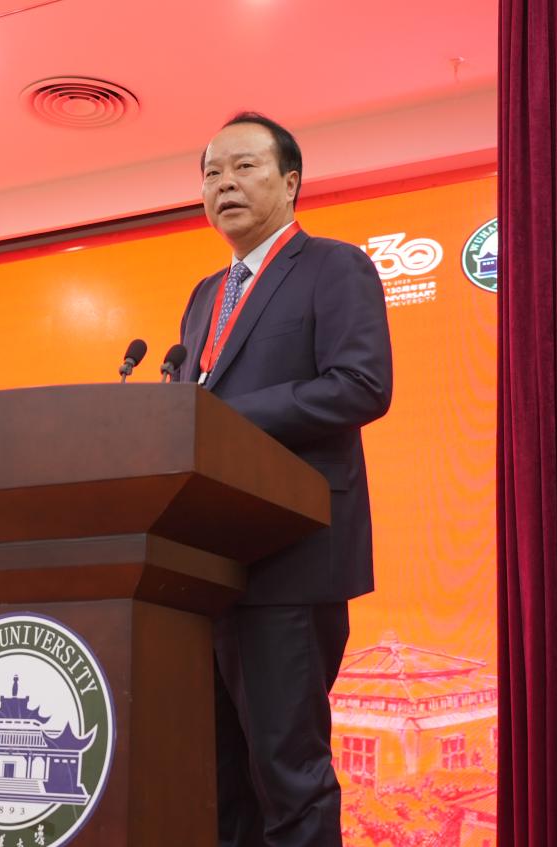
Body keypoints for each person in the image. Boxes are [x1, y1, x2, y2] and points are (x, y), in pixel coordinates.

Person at [176, 112, 393, 846]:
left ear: (290, 181)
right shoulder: (204, 294)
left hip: (293, 555)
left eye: (243, 167)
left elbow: (360, 385)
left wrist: (222, 416)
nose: (224, 184)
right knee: (220, 782)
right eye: (211, 173)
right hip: (210, 563)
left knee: (287, 775)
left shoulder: (334, 266)